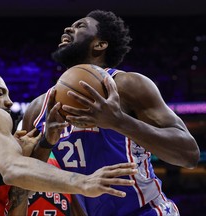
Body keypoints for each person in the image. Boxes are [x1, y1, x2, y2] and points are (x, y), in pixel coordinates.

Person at [21, 10, 200, 215]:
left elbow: (189, 154)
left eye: (80, 26)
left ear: (100, 44)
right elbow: (22, 177)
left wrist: (119, 122)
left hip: (146, 210)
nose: (68, 28)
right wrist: (46, 142)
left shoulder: (127, 85)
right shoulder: (38, 107)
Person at [0, 68, 137, 216]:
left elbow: (15, 191)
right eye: (0, 93)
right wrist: (83, 182)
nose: (9, 101)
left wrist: (44, 143)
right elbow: (13, 169)